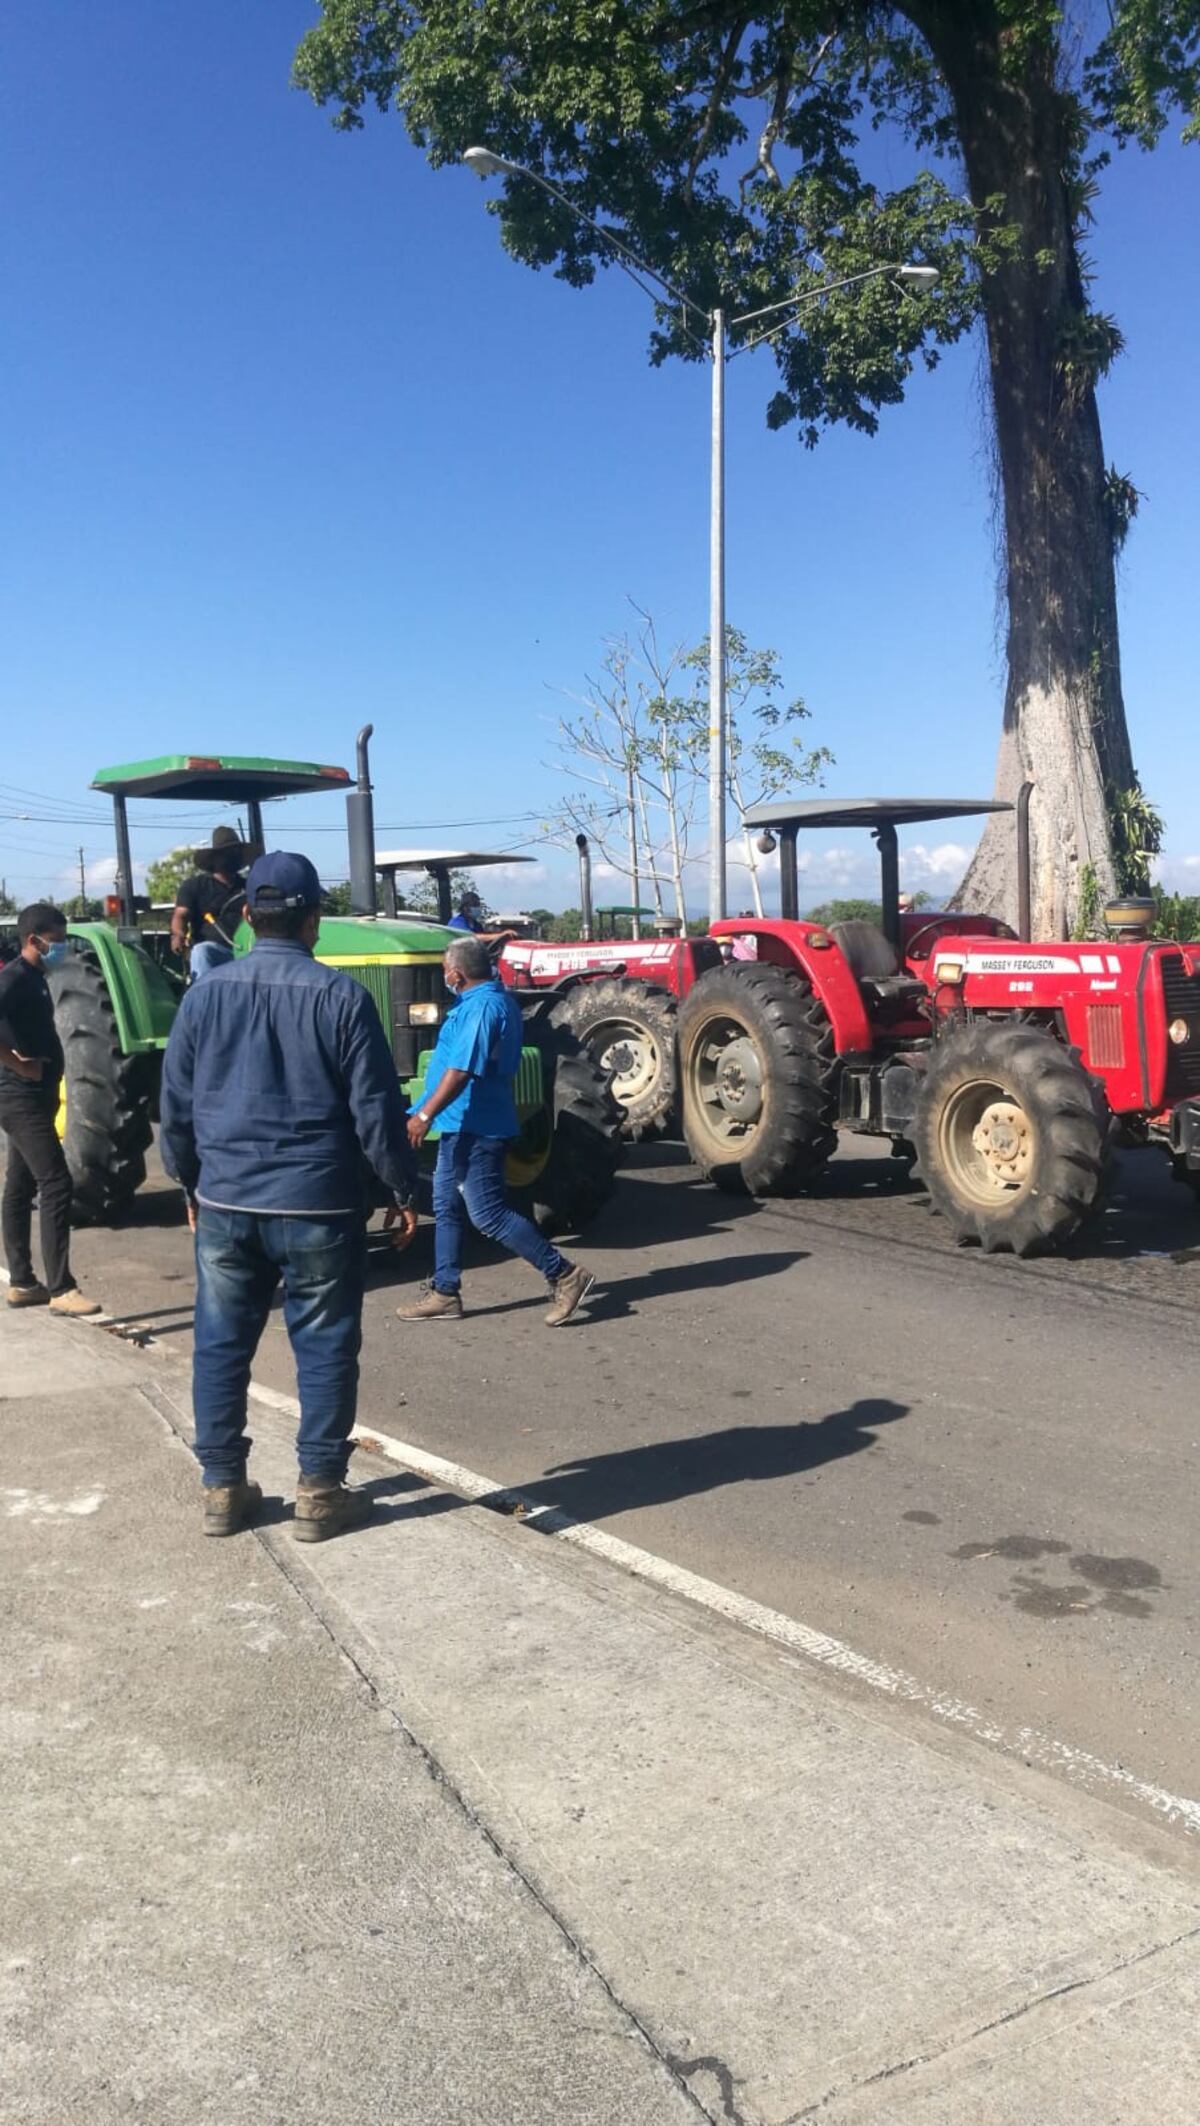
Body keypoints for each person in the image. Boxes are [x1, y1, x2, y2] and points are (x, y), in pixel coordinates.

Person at [159, 852, 420, 1542]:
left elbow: (176, 1107)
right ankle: (320, 1491)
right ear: (315, 920)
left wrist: (190, 1183)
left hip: (227, 1202)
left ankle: (222, 1489)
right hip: (318, 1204)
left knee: (218, 1345)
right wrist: (400, 1188)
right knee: (326, 1346)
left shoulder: (204, 996)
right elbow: (375, 1110)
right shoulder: (341, 998)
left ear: (246, 915)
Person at [397, 935, 594, 1327]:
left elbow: (462, 1069)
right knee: (447, 1206)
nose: (445, 977)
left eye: (445, 971)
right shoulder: (479, 1002)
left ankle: (565, 1274)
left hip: (478, 1125)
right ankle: (444, 1292)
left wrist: (425, 1116)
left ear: (456, 973)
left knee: (487, 1213)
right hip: (461, 1124)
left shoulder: (484, 1007)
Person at [0, 904, 100, 1316]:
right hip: (16, 1094)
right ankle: (61, 1288)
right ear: (34, 940)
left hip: (33, 1093)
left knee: (20, 1185)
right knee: (56, 1182)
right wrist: (17, 1063)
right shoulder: (15, 978)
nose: (61, 949)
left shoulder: (37, 978)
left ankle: (23, 1282)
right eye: (56, 942)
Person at [170, 825, 255, 981]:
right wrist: (178, 935)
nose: (232, 857)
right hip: (216, 952)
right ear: (215, 858)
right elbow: (181, 915)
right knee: (201, 951)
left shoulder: (249, 887)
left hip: (247, 951)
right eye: (228, 853)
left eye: (236, 852)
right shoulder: (195, 886)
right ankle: (204, 998)